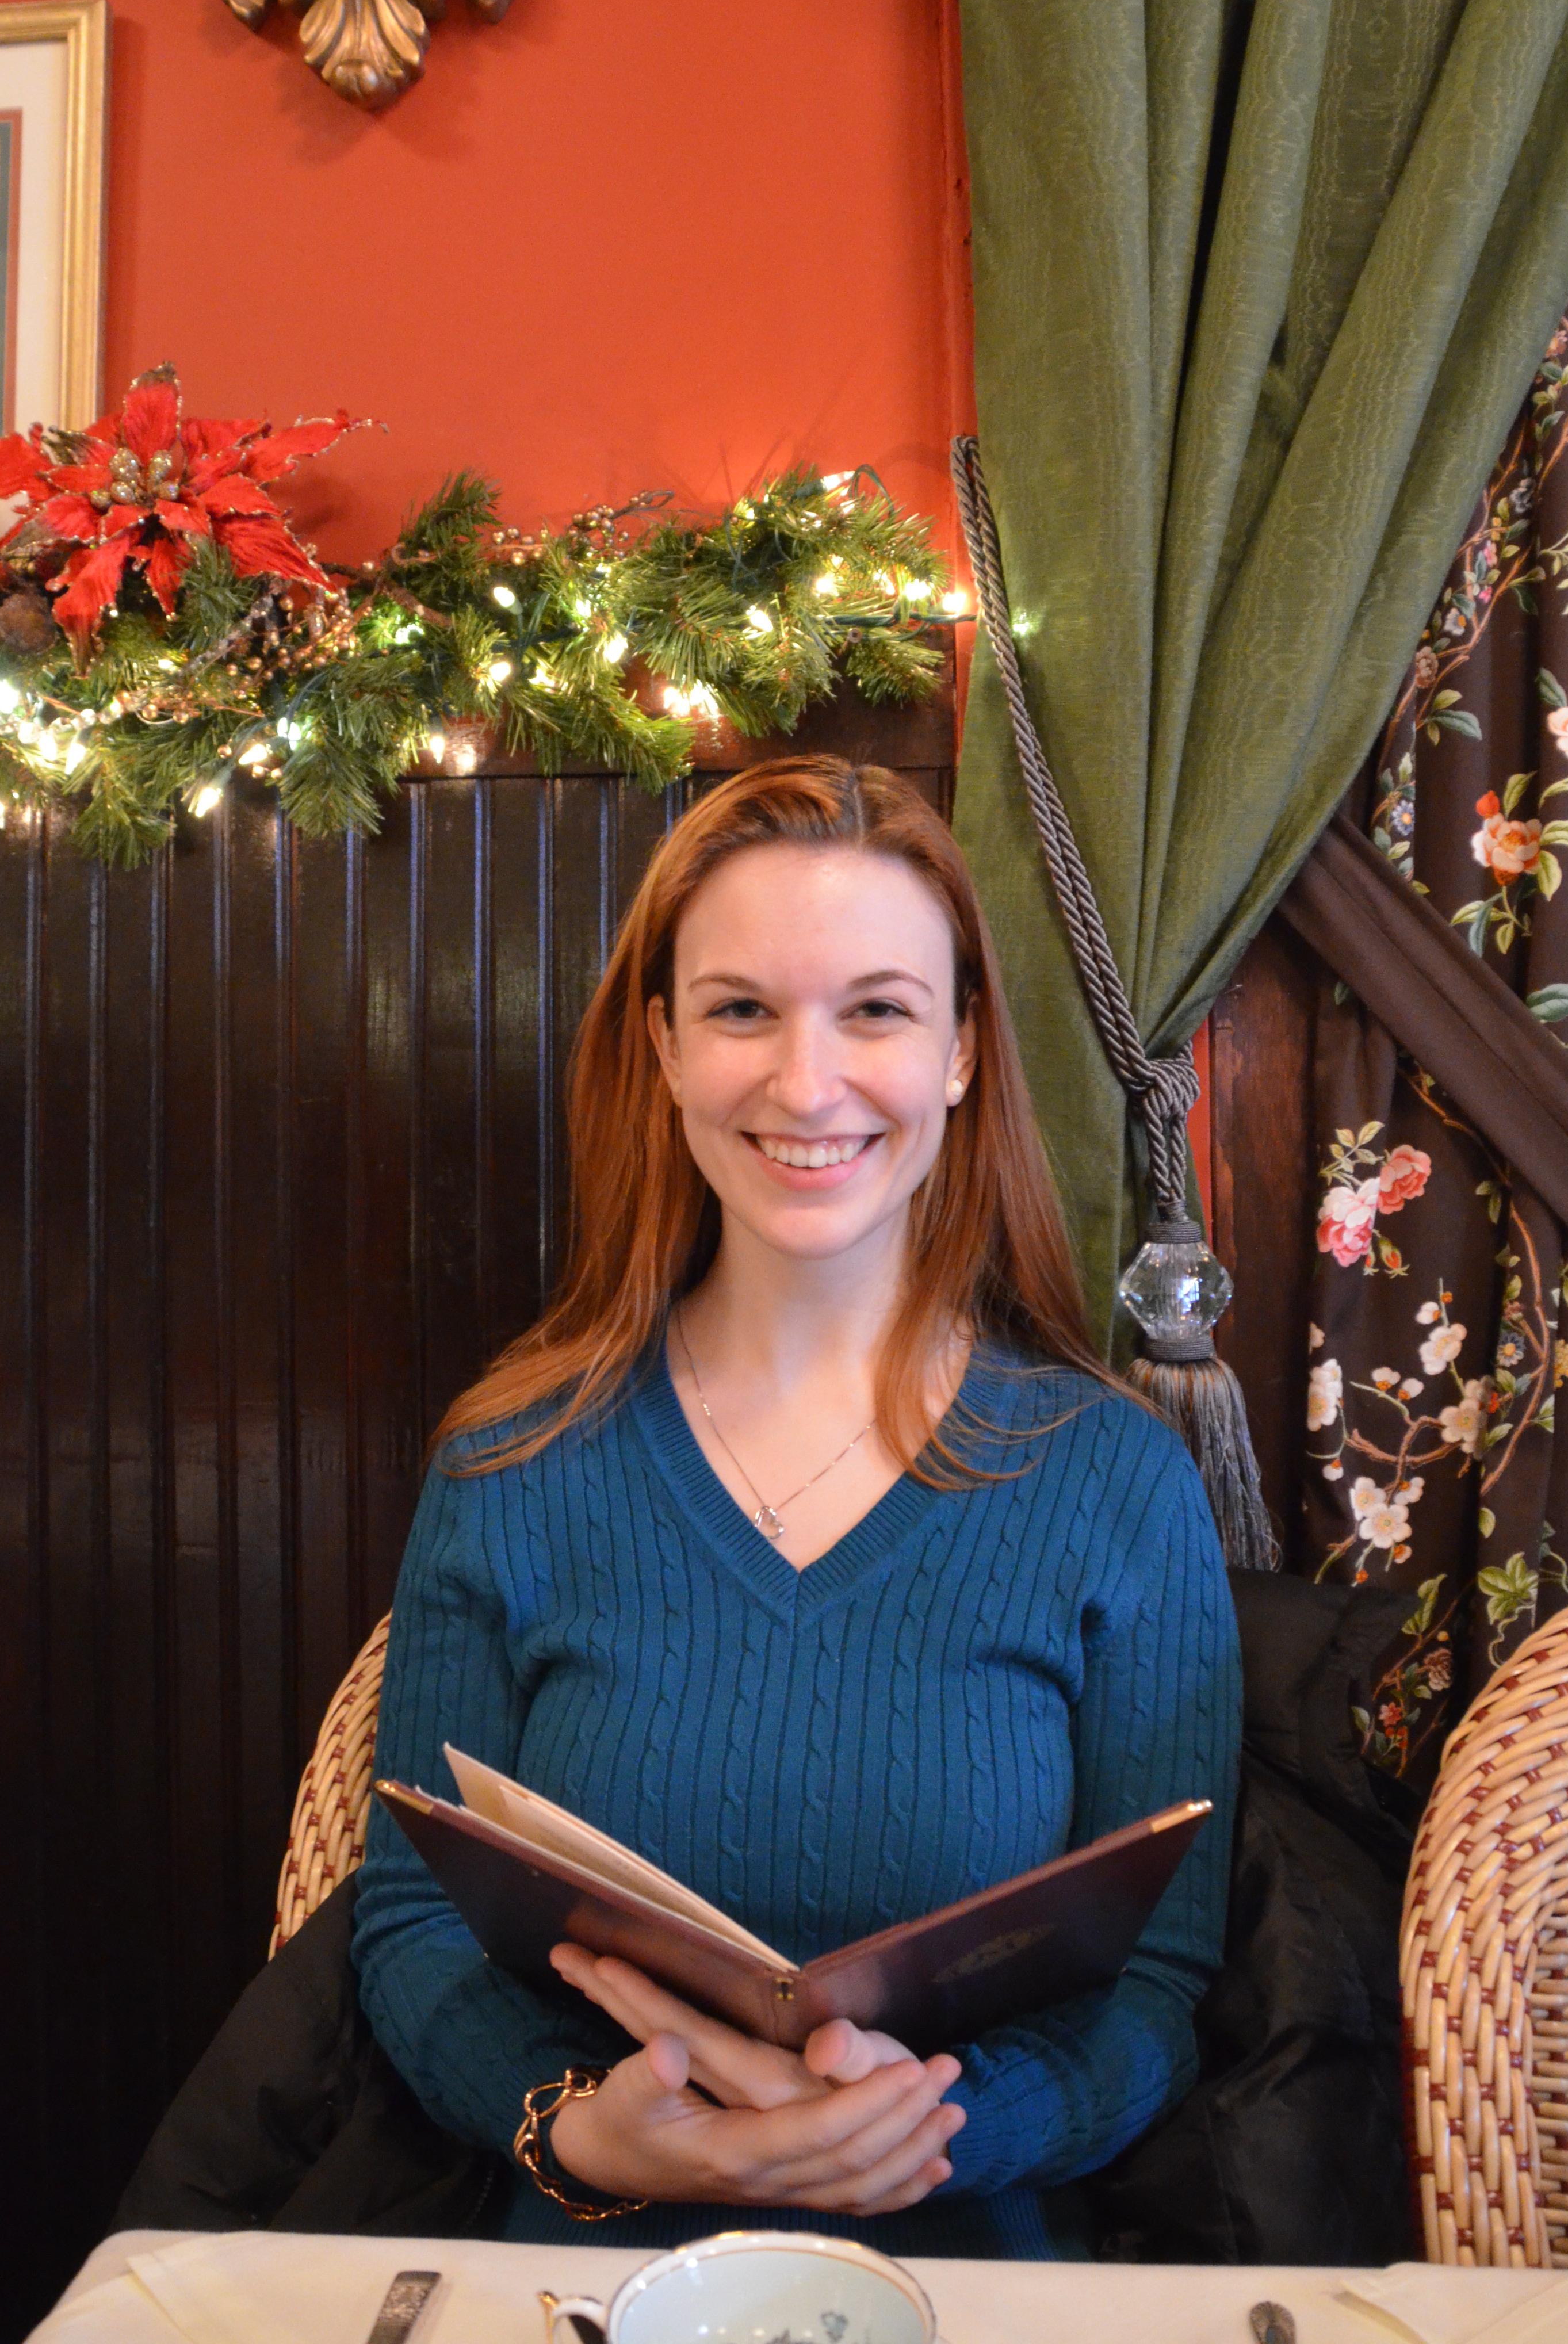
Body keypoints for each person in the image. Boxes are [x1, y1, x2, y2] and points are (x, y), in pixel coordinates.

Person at [353, 758, 1240, 2260]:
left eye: (877, 1010)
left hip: (976, 2276)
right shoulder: (508, 1459)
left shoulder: (1118, 1481)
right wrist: (578, 2125)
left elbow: (1159, 1985)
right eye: (742, 1011)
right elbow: (410, 1924)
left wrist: (927, 2130)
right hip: (587, 2271)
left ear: (962, 1049)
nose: (807, 1084)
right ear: (664, 1046)